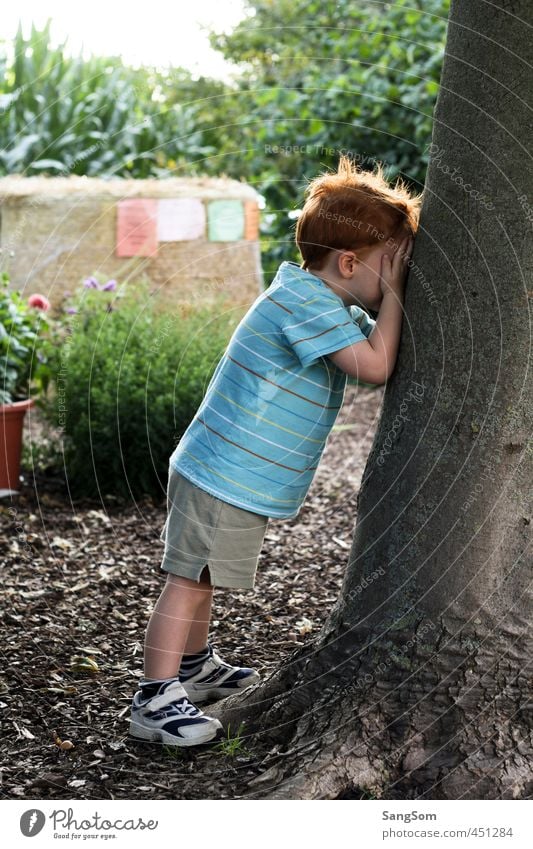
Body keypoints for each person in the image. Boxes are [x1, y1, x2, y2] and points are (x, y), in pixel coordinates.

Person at [129, 154, 423, 746]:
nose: (394, 280)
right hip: (220, 473)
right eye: (387, 267)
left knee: (203, 575)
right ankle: (153, 700)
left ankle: (191, 667)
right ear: (348, 263)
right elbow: (376, 365)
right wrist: (394, 294)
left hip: (228, 473)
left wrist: (385, 282)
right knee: (188, 580)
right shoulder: (306, 303)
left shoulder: (314, 300)